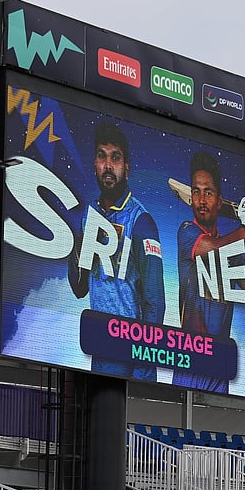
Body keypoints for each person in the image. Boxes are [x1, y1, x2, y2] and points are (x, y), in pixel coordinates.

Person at [173, 151, 245, 392]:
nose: (200, 199)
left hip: (219, 362)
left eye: (208, 193)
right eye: (196, 191)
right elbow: (214, 248)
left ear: (219, 202)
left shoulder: (232, 252)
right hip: (189, 357)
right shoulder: (187, 231)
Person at [69, 120, 165, 380]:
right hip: (100, 351)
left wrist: (144, 364)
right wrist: (77, 242)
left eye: (116, 158)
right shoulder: (89, 215)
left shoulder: (141, 221)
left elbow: (155, 301)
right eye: (102, 157)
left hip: (132, 357)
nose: (108, 166)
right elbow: (80, 288)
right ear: (94, 164)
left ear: (127, 167)